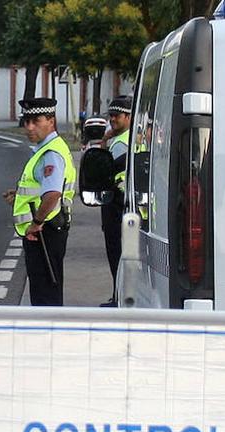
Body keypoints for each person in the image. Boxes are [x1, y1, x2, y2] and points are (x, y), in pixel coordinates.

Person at [3, 97, 75, 306]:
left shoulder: (51, 153)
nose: (29, 127)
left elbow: (52, 194)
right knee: (46, 290)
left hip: (44, 232)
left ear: (51, 121)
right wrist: (19, 196)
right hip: (48, 229)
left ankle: (47, 327)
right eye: (26, 121)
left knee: (45, 296)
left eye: (36, 121)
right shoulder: (50, 148)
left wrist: (36, 223)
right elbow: (41, 189)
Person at [100, 95, 133, 307]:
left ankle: (118, 299)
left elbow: (103, 172)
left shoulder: (120, 143)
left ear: (128, 117)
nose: (112, 119)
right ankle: (120, 296)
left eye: (117, 116)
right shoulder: (135, 137)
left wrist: (104, 142)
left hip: (116, 207)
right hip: (129, 207)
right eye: (110, 115)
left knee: (117, 256)